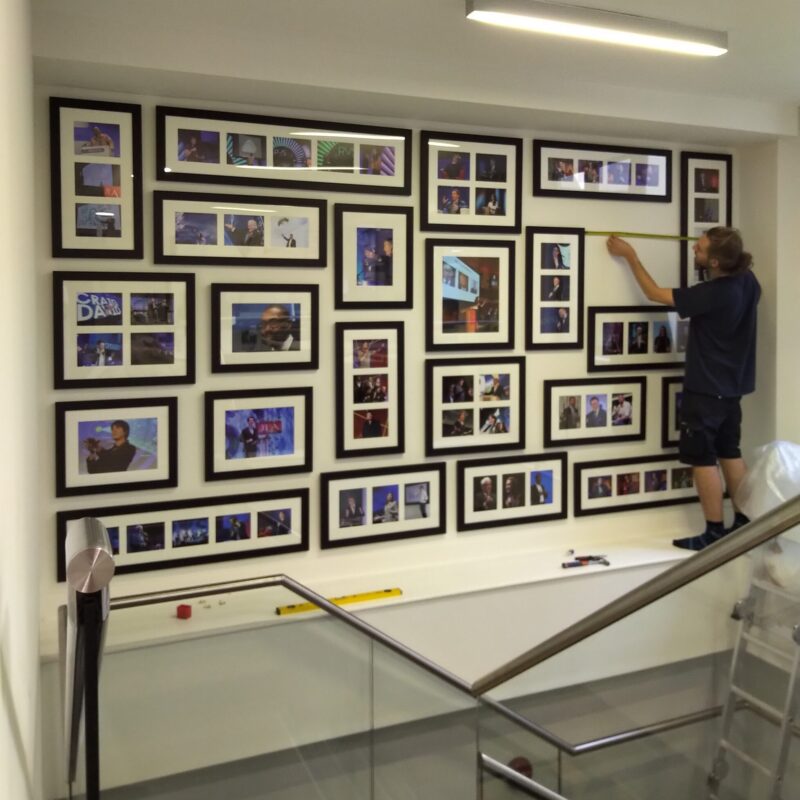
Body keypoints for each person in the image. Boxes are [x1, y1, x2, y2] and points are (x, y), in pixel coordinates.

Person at [607, 227, 760, 551]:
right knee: (729, 451)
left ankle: (714, 532)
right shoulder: (749, 283)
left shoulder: (716, 292)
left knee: (703, 458)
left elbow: (654, 293)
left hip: (705, 390)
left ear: (716, 262)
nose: (695, 252)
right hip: (732, 389)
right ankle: (747, 524)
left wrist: (630, 256)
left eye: (701, 250)